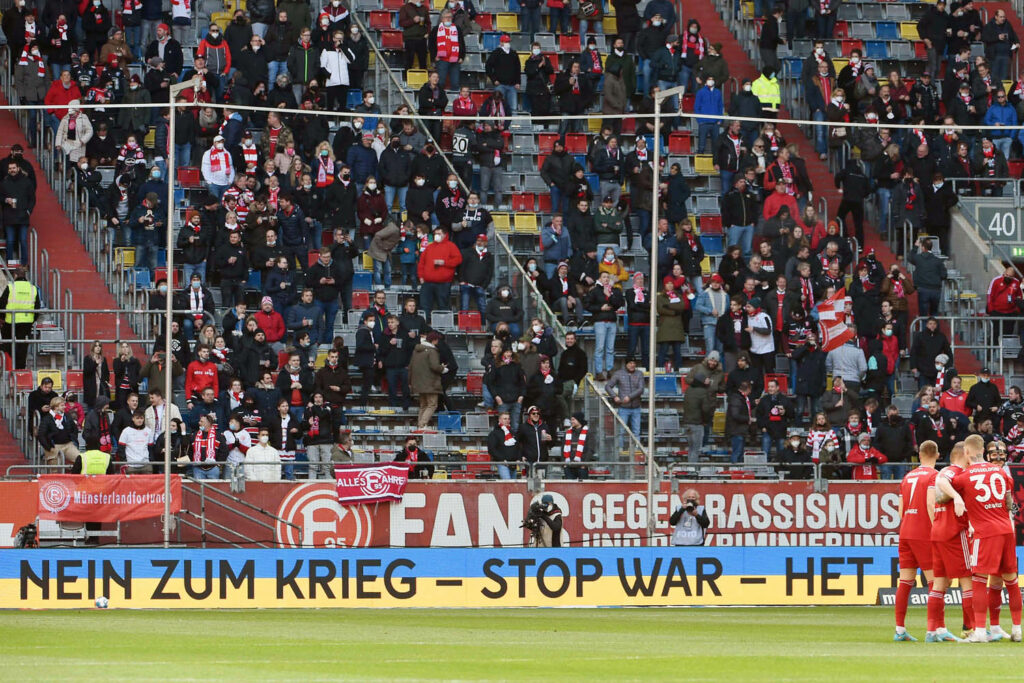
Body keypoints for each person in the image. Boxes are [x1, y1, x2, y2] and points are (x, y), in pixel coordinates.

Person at [939, 434, 1023, 642]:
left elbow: (942, 483)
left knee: (978, 579)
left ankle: (978, 631)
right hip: (1006, 530)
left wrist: (957, 497)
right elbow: (1008, 502)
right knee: (1011, 581)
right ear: (983, 450)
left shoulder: (966, 476)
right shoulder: (1001, 472)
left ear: (967, 452)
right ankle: (1017, 629)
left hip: (985, 533)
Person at [888, 438, 940, 641]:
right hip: (924, 533)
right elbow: (930, 504)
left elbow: (900, 510)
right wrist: (937, 528)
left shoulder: (907, 476)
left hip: (906, 531)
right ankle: (932, 631)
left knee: (905, 582)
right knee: (935, 582)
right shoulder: (934, 476)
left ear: (919, 455)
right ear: (937, 454)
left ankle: (899, 630)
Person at [928, 441, 976, 642]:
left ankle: (934, 630)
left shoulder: (946, 472)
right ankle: (971, 629)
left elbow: (932, 499)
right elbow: (941, 480)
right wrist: (957, 497)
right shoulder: (953, 472)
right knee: (968, 581)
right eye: (971, 455)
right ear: (964, 454)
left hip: (938, 531)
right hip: (954, 532)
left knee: (940, 583)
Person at [0, 267, 41, 369]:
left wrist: (2, 318)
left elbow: (2, 303)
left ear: (15, 275)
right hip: (26, 322)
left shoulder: (11, 287)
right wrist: (32, 320)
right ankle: (20, 369)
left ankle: (9, 359)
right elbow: (37, 307)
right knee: (22, 346)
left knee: (7, 342)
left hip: (10, 321)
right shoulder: (33, 288)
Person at [605, 357, 645, 451]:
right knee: (621, 431)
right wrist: (614, 396)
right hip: (623, 407)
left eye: (634, 363)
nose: (632, 365)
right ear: (626, 364)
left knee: (636, 431)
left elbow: (641, 389)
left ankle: (637, 449)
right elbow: (608, 386)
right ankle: (620, 449)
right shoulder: (619, 373)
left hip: (636, 407)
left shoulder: (639, 374)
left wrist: (629, 397)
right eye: (630, 363)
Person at [409, 331, 444, 431]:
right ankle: (422, 424)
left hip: (418, 382)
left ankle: (420, 425)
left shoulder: (416, 351)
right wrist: (442, 368)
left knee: (423, 405)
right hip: (430, 383)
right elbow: (434, 366)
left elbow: (410, 366)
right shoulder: (432, 351)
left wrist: (410, 382)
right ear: (434, 340)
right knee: (432, 404)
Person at [755, 377, 792, 459]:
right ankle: (764, 469)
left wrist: (785, 412)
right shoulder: (764, 400)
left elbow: (792, 414)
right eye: (769, 387)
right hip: (767, 430)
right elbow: (758, 415)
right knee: (764, 454)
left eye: (772, 387)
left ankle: (781, 469)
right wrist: (762, 426)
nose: (770, 389)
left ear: (777, 387)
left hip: (781, 430)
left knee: (782, 454)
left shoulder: (785, 399)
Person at [726, 381, 755, 464]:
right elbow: (735, 415)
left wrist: (753, 404)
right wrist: (748, 419)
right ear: (748, 389)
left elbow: (742, 409)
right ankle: (735, 472)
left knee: (739, 453)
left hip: (739, 430)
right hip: (737, 430)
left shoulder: (739, 398)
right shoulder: (737, 399)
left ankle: (738, 473)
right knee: (737, 453)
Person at [117, 409, 154, 473]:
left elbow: (150, 448)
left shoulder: (148, 431)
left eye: (141, 418)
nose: (139, 420)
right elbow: (121, 449)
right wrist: (125, 463)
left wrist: (150, 461)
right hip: (131, 466)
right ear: (133, 418)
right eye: (137, 418)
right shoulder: (126, 431)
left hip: (145, 465)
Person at [487, 412, 520, 479]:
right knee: (508, 483)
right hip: (502, 463)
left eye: (508, 419)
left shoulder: (513, 432)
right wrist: (502, 459)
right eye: (505, 419)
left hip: (513, 463)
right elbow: (492, 449)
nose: (507, 420)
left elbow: (518, 446)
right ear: (499, 420)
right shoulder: (494, 433)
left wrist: (518, 458)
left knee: (513, 485)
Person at [562, 412, 593, 480]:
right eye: (571, 420)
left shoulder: (588, 433)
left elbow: (590, 449)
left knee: (583, 488)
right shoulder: (567, 433)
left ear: (579, 420)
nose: (571, 421)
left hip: (582, 467)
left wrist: (584, 464)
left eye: (573, 419)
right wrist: (564, 464)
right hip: (569, 466)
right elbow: (563, 449)